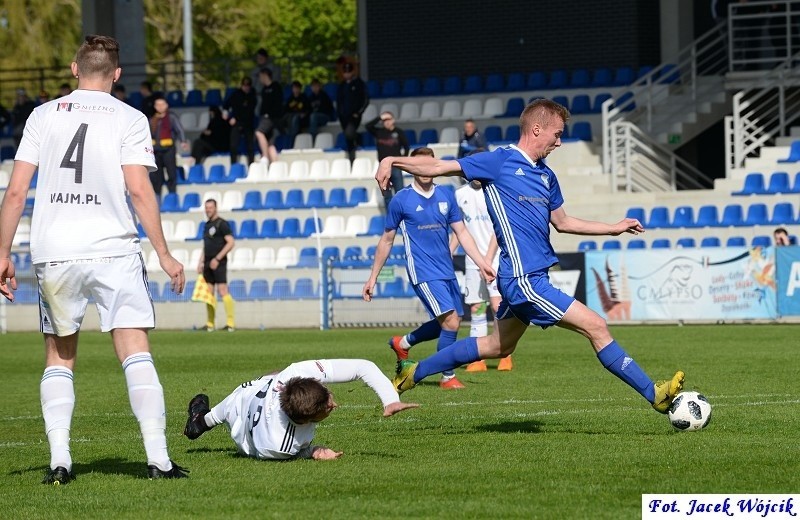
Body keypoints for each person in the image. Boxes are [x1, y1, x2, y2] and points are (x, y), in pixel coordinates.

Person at [375, 99, 684, 415]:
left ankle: (413, 372)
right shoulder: (499, 161)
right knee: (597, 325)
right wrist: (392, 160)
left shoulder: (546, 176)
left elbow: (563, 222)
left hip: (528, 277)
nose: (559, 142)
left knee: (498, 346)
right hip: (524, 279)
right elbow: (438, 166)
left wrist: (613, 229)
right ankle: (654, 394)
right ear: (537, 129)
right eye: (557, 134)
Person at [0, 34, 188, 484]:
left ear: (73, 69)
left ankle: (60, 462)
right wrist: (164, 253)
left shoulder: (42, 115)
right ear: (117, 74)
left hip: (56, 251)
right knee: (135, 352)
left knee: (60, 358)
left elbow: (16, 192)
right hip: (114, 249)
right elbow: (140, 190)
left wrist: (1, 253)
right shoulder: (130, 117)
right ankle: (158, 460)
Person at [362, 147, 494, 390]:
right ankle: (447, 377)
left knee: (450, 320)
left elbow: (462, 232)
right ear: (412, 166)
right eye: (419, 163)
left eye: (428, 163)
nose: (424, 169)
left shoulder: (446, 195)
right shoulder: (402, 199)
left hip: (446, 270)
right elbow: (387, 240)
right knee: (452, 322)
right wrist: (372, 278)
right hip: (422, 271)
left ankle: (403, 343)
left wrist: (482, 263)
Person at [183, 358, 419, 460]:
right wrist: (313, 451)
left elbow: (362, 366)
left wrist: (390, 400)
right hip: (243, 425)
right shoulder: (280, 444)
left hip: (256, 391)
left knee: (271, 376)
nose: (334, 404)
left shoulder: (298, 372)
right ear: (306, 420)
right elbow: (288, 453)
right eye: (328, 408)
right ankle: (200, 420)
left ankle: (200, 423)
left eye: (328, 396)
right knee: (223, 410)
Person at [451, 179, 512, 372]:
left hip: (493, 259)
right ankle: (477, 359)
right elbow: (458, 229)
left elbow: (498, 229)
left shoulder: (494, 192)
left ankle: (505, 353)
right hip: (472, 260)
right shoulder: (460, 195)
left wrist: (486, 260)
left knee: (497, 305)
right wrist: (449, 251)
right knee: (477, 307)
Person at [198, 198, 235, 332]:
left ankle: (230, 324)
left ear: (216, 208)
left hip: (218, 262)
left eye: (210, 207)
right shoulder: (206, 225)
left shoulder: (222, 224)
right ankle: (210, 324)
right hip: (207, 262)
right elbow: (206, 246)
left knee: (222, 290)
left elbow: (230, 242)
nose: (208, 210)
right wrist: (201, 261)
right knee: (209, 293)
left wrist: (217, 259)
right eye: (206, 208)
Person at [365, 111, 410, 209]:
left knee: (400, 193)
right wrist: (379, 117)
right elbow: (367, 126)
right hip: (383, 168)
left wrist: (402, 160)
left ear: (393, 120)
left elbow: (406, 147)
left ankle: (402, 215)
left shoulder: (398, 132)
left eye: (388, 119)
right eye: (384, 120)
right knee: (387, 195)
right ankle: (391, 218)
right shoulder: (379, 132)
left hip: (395, 166)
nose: (386, 122)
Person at [149, 95, 188, 199]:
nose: (160, 107)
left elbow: (179, 129)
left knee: (171, 173)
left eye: (162, 104)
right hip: (156, 150)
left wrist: (183, 141)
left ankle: (172, 195)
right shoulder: (152, 119)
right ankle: (157, 197)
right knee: (157, 176)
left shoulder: (171, 117)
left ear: (166, 105)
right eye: (158, 105)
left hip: (168, 149)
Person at [336, 62, 368, 163]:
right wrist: (340, 113)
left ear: (353, 72)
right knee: (348, 136)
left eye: (348, 71)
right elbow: (339, 101)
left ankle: (357, 140)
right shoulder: (341, 86)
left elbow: (365, 100)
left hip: (354, 116)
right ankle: (351, 158)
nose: (347, 74)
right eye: (345, 72)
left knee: (350, 134)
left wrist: (359, 112)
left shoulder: (359, 83)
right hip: (344, 116)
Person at [223, 77, 257, 166]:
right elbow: (226, 105)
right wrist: (228, 115)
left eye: (248, 85)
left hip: (247, 123)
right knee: (233, 146)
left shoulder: (252, 96)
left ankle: (251, 165)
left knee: (250, 147)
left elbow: (248, 112)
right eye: (244, 85)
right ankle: (233, 165)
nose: (246, 87)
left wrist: (236, 118)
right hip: (237, 123)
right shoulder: (236, 94)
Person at [254, 67, 283, 164]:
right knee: (270, 144)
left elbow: (278, 104)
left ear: (265, 75)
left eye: (261, 76)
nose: (260, 79)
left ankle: (265, 157)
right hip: (266, 117)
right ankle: (276, 166)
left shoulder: (276, 87)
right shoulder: (264, 89)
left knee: (259, 132)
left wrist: (269, 115)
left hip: (272, 118)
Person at [280, 81, 310, 147]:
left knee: (295, 119)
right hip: (290, 117)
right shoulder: (290, 99)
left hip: (301, 118)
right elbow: (286, 110)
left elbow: (308, 110)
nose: (295, 90)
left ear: (300, 89)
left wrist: (304, 114)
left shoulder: (304, 98)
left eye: (297, 88)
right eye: (294, 88)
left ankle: (293, 140)